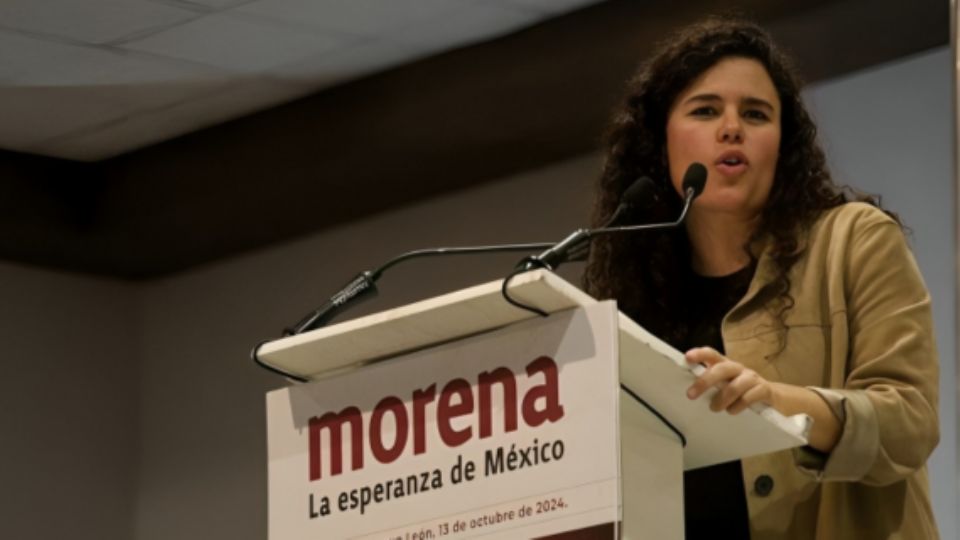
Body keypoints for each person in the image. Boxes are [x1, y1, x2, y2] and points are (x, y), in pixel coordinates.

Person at [583, 17, 940, 539]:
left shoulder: (853, 240)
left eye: (755, 113)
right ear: (660, 144)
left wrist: (777, 404)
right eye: (706, 110)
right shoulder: (634, 304)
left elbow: (910, 422)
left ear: (782, 144)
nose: (732, 128)